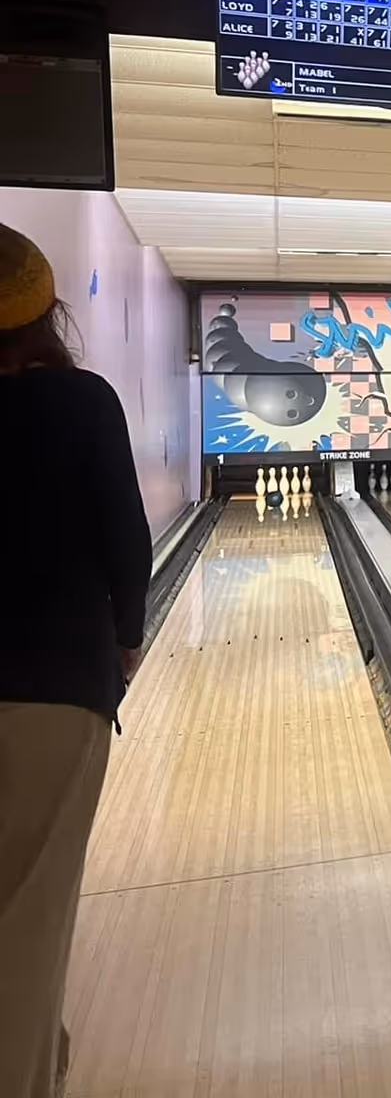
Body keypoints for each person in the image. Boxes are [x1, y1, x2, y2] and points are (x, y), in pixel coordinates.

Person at [0, 224, 151, 1098]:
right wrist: (127, 639)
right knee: (24, 925)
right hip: (52, 691)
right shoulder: (80, 401)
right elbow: (125, 538)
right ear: (46, 314)